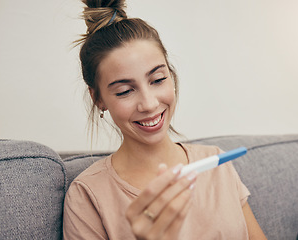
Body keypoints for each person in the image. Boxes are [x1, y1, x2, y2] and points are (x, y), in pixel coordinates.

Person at [63, 0, 267, 239]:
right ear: (98, 98)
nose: (149, 104)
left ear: (170, 74)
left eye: (158, 79)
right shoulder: (87, 195)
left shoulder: (217, 162)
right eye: (124, 91)